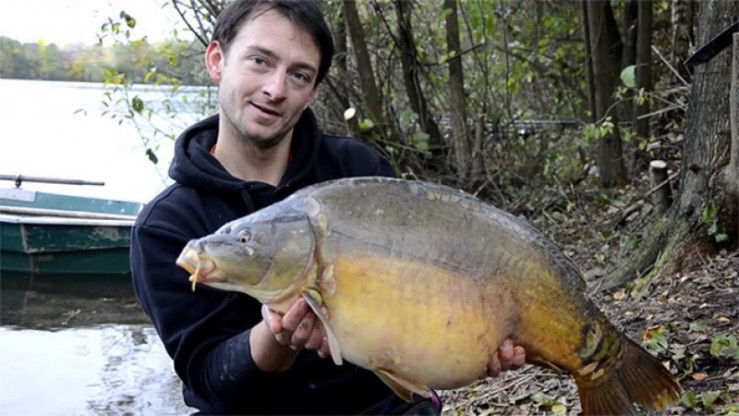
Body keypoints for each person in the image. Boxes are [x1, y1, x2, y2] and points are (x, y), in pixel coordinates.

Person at [130, 1, 525, 414]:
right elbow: (211, 380)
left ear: (313, 91)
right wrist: (276, 335)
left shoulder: (357, 171)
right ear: (217, 60)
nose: (276, 89)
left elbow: (410, 314)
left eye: (299, 75)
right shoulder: (166, 226)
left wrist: (472, 341)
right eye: (260, 61)